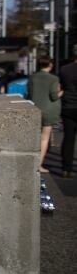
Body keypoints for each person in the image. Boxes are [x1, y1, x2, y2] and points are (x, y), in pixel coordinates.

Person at [27, 57, 62, 173]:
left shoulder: (32, 77)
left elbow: (29, 93)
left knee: (34, 138)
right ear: (50, 65)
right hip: (49, 111)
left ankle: (30, 163)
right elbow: (54, 96)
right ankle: (39, 164)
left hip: (34, 109)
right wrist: (62, 91)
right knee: (44, 138)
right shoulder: (53, 78)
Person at [59, 45, 77, 179]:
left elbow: (62, 87)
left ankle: (66, 168)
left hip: (68, 106)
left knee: (68, 138)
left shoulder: (64, 70)